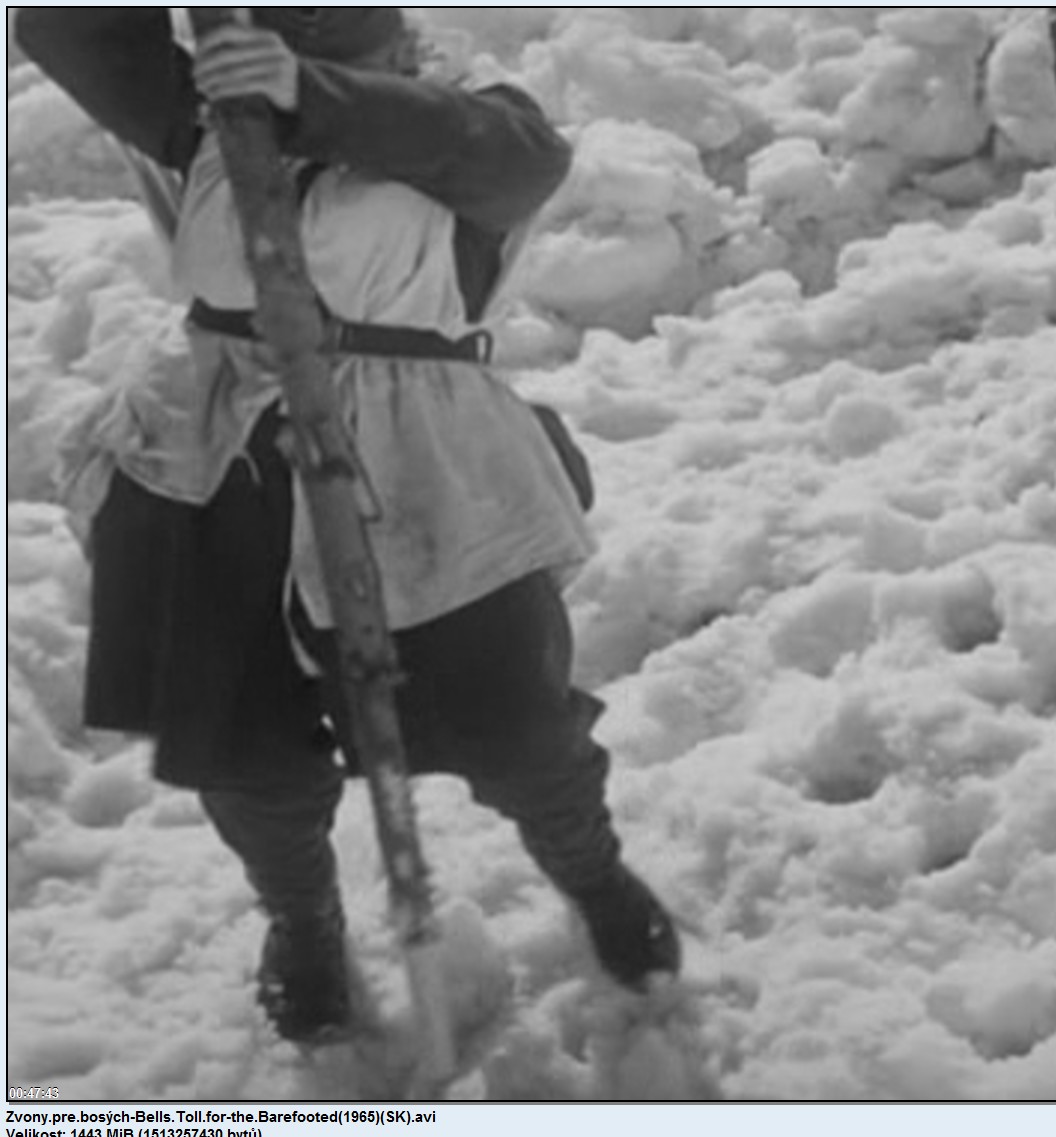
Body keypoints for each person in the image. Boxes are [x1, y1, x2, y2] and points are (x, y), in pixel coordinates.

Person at [14, 9, 681, 1044]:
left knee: (509, 722)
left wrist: (305, 92)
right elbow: (67, 27)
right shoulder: (205, 120)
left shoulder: (474, 125)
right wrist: (236, 82)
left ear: (398, 52)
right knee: (241, 750)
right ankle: (304, 923)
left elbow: (519, 161)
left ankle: (593, 874)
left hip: (424, 469)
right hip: (213, 458)